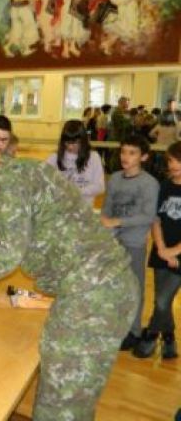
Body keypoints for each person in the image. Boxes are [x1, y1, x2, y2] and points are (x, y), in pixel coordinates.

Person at [0, 132, 138, 421]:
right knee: (71, 401)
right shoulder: (24, 172)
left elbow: (5, 254)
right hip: (103, 291)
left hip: (91, 299)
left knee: (60, 408)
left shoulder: (8, 184)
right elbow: (5, 246)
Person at [101, 135, 159, 351]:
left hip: (134, 244)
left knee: (134, 288)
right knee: (112, 287)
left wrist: (117, 221)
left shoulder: (149, 183)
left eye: (132, 153)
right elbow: (107, 208)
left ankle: (133, 331)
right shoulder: (115, 178)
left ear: (144, 157)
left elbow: (147, 216)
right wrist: (105, 225)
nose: (125, 157)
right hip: (112, 242)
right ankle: (116, 328)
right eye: (123, 152)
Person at [133, 141, 181, 359]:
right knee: (162, 300)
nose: (174, 165)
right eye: (171, 160)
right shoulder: (164, 186)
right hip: (161, 251)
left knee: (162, 300)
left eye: (179, 161)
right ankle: (169, 335)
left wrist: (174, 252)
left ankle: (152, 332)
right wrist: (161, 247)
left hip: (178, 255)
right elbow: (156, 220)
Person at [46, 119, 105, 206]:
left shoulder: (94, 157)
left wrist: (76, 191)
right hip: (60, 208)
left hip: (84, 208)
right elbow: (44, 183)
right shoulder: (54, 158)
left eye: (75, 143)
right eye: (67, 142)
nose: (70, 147)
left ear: (83, 141)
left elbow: (100, 186)